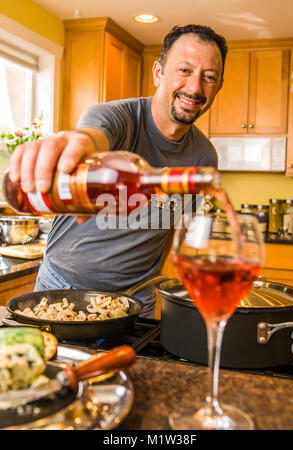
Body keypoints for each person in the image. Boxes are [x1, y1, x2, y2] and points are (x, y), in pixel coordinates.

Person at [9, 24, 227, 318]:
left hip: (137, 301)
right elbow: (92, 135)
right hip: (62, 289)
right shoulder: (115, 117)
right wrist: (77, 143)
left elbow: (176, 225)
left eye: (209, 77)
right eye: (184, 70)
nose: (195, 87)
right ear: (158, 73)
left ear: (219, 85)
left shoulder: (203, 157)